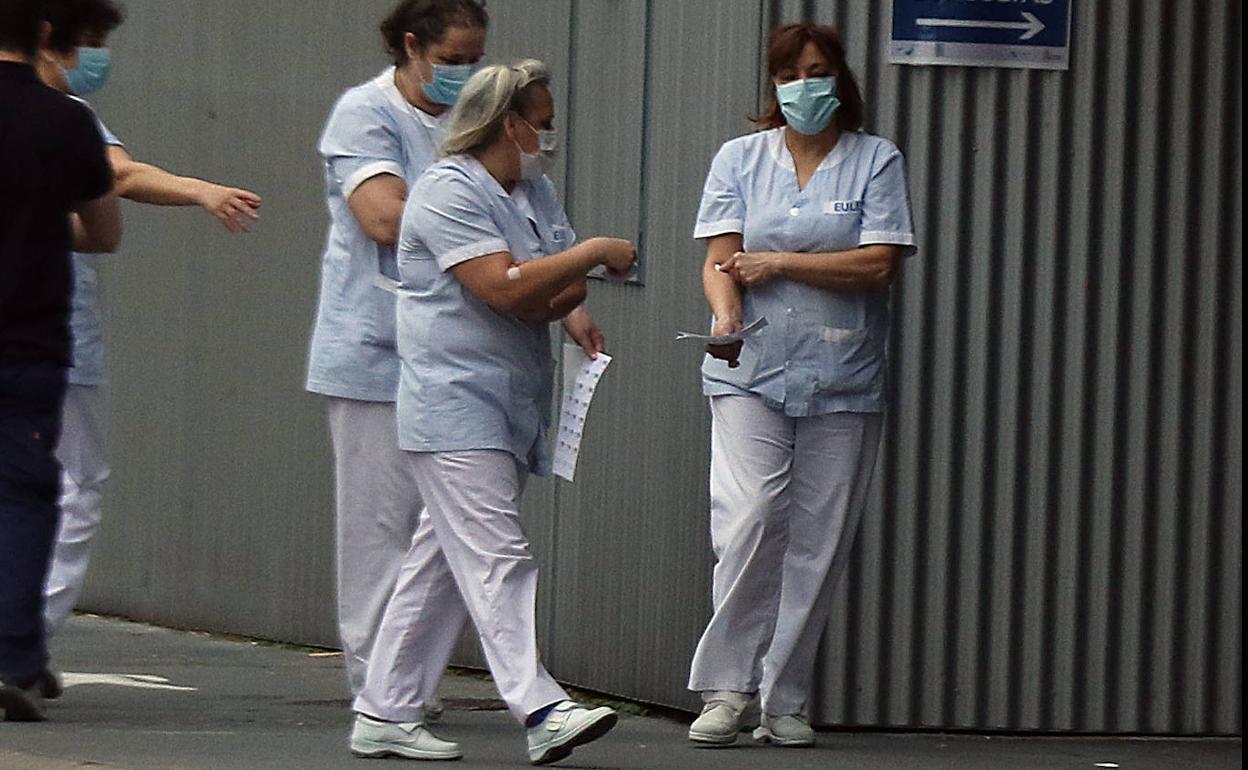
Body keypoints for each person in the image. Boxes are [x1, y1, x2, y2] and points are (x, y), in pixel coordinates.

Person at [349, 60, 635, 765]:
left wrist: (563, 284)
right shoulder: (447, 192)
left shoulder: (533, 190)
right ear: (509, 122)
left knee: (442, 562)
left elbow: (552, 295)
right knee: (497, 556)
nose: (549, 132)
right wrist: (592, 255)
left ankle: (384, 710)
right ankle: (540, 707)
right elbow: (506, 289)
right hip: (453, 404)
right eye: (542, 119)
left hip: (505, 402)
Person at [685, 22, 916, 748]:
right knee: (751, 519)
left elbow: (878, 263)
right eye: (788, 76)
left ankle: (784, 696)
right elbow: (722, 260)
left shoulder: (876, 160)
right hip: (749, 368)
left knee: (818, 540)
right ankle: (726, 688)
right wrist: (725, 314)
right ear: (773, 86)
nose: (802, 88)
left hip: (844, 374)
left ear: (838, 79)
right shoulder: (739, 158)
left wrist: (781, 263)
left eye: (815, 73)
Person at [30, 0, 264, 644]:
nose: (99, 60)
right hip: (49, 334)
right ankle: (24, 633)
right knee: (73, 484)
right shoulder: (65, 117)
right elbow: (118, 183)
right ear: (52, 39)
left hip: (50, 330)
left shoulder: (73, 115)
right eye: (93, 44)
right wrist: (199, 190)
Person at [0, 0, 122, 722]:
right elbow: (104, 232)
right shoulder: (66, 122)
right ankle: (14, 655)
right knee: (24, 499)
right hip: (29, 342)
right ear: (47, 34)